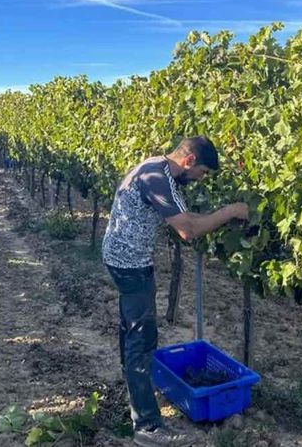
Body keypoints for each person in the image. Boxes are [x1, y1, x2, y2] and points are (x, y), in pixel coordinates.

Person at [102, 136, 250, 447]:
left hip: (125, 259)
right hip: (130, 264)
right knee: (141, 340)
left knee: (132, 331)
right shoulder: (157, 176)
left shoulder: (159, 169)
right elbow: (189, 230)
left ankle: (133, 389)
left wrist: (223, 215)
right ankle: (147, 426)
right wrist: (232, 211)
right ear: (190, 161)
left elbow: (187, 219)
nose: (201, 180)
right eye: (203, 173)